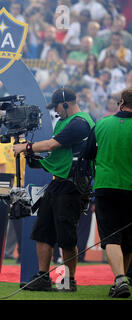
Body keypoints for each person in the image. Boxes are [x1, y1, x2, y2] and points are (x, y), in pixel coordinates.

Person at [13, 88, 94, 292]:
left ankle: (69, 280)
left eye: (57, 107)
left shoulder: (81, 123)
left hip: (73, 185)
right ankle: (43, 277)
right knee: (42, 231)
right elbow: (56, 156)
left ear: (66, 104)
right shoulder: (64, 121)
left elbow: (53, 144)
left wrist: (27, 147)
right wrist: (36, 160)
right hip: (58, 183)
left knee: (66, 236)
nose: (56, 112)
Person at [83, 88, 132, 298]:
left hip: (105, 186)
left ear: (121, 102)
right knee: (129, 240)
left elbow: (87, 155)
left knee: (112, 237)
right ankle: (121, 279)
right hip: (130, 189)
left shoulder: (101, 124)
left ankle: (120, 280)